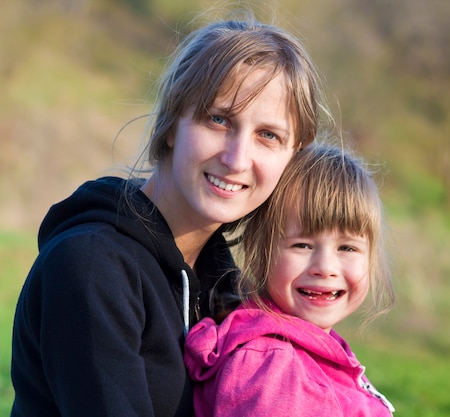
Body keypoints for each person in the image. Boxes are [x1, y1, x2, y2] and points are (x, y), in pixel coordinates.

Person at [10, 14, 328, 417]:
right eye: (218, 119)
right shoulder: (91, 267)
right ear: (173, 123)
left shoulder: (225, 285)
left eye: (268, 135)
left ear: (291, 155)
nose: (236, 159)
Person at [184, 143, 396, 417]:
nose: (325, 268)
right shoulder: (274, 367)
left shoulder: (311, 348)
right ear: (260, 251)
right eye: (302, 245)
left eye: (347, 248)